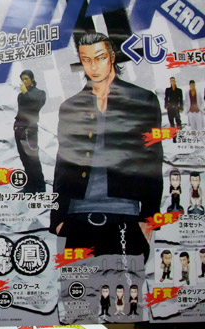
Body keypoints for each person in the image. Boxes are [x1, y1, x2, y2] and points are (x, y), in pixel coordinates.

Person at [51, 33, 162, 261]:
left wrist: (149, 218)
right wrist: (58, 219)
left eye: (100, 57)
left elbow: (152, 160)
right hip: (77, 216)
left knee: (127, 283)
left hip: (126, 215)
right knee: (78, 284)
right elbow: (63, 164)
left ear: (112, 56)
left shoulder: (142, 100)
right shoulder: (71, 107)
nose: (93, 66)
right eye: (86, 59)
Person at [13, 70, 47, 193]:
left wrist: (26, 93)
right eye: (22, 79)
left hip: (30, 129)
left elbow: (35, 107)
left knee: (33, 159)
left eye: (26, 78)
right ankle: (30, 186)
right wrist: (16, 126)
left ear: (32, 79)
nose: (24, 81)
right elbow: (22, 111)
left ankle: (40, 187)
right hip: (19, 128)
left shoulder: (40, 93)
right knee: (24, 158)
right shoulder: (21, 95)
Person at [164, 76, 183, 141]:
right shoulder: (168, 90)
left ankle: (180, 135)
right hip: (170, 108)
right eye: (171, 80)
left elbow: (181, 100)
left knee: (178, 121)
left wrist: (181, 107)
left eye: (173, 80)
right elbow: (166, 98)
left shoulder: (179, 90)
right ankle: (174, 137)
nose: (172, 81)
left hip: (176, 107)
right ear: (170, 82)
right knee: (171, 122)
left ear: (175, 81)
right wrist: (166, 105)